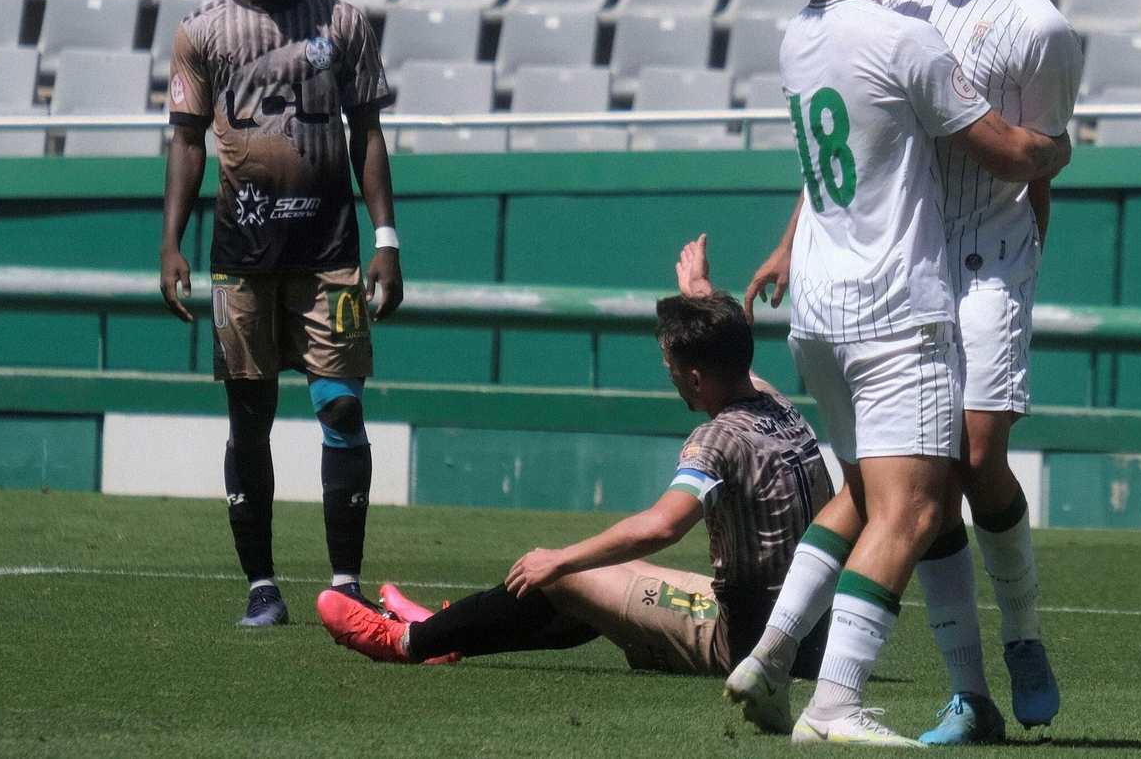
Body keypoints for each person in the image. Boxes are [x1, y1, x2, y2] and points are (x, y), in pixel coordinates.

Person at [722, 0, 1070, 746]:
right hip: (897, 293)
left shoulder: (803, 30)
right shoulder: (902, 22)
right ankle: (845, 702)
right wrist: (1051, 153)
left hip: (879, 290)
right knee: (912, 503)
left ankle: (782, 656)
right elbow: (1006, 146)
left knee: (936, 474)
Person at [316, 265, 837, 685]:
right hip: (807, 629)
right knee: (605, 586)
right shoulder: (774, 401)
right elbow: (732, 357)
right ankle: (443, 630)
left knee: (569, 575)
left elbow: (661, 527)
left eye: (671, 364)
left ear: (696, 375)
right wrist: (701, 298)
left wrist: (559, 558)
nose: (667, 371)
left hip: (752, 645)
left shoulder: (716, 439)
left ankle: (406, 643)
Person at [879, 0, 1083, 742]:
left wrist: (1019, 264)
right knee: (923, 471)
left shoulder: (1038, 28)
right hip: (909, 252)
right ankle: (969, 692)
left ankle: (1025, 638)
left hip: (991, 254)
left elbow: (1042, 157)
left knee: (974, 453)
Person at [158, 0, 403, 628]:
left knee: (341, 406)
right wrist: (170, 240)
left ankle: (346, 582)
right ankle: (262, 585)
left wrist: (386, 239)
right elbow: (188, 141)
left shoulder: (345, 24)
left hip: (332, 251)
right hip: (241, 256)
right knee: (249, 416)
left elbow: (367, 133)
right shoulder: (202, 34)